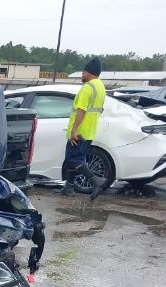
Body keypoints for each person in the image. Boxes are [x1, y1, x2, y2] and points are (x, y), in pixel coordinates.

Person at [62, 58, 107, 200]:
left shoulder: (88, 88)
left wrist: (74, 130)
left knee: (73, 159)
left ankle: (95, 181)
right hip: (89, 131)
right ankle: (68, 188)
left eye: (83, 72)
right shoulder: (100, 87)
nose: (82, 74)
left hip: (80, 133)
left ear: (88, 72)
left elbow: (81, 110)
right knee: (73, 160)